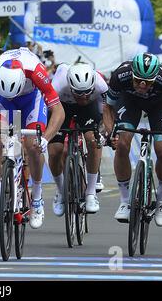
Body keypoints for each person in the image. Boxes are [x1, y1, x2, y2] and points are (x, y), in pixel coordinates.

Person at [0, 47, 65, 229]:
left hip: (31, 101)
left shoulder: (36, 71)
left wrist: (46, 139)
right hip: (2, 99)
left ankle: (37, 197)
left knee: (33, 146)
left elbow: (58, 111)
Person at [104, 52, 162, 226]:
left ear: (155, 77)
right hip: (129, 101)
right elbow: (108, 108)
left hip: (159, 104)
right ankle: (125, 201)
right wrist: (111, 132)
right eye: (138, 80)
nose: (142, 85)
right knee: (122, 144)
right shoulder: (120, 75)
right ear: (132, 74)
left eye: (148, 82)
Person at [48, 63, 109, 216]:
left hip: (88, 109)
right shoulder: (58, 85)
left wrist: (103, 132)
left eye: (87, 93)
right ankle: (61, 192)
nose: (83, 97)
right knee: (55, 150)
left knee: (93, 140)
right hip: (62, 107)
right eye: (79, 93)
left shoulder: (101, 86)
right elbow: (47, 111)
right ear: (70, 85)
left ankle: (90, 194)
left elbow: (106, 113)